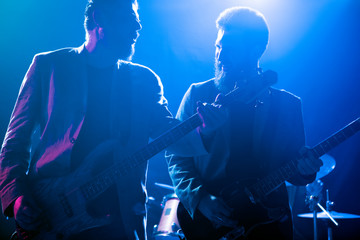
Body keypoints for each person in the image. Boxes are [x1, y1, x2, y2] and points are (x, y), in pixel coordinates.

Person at [0, 0, 223, 239]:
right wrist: (17, 198)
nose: (138, 26)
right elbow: (14, 143)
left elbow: (168, 134)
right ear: (99, 18)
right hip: (51, 214)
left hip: (119, 221)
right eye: (129, 17)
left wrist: (205, 130)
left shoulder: (143, 80)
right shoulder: (49, 66)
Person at [167, 7, 323, 240]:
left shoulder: (288, 105)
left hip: (270, 226)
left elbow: (294, 170)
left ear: (256, 51)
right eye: (218, 47)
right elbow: (176, 156)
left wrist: (306, 172)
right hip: (212, 223)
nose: (220, 57)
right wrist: (199, 199)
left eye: (229, 49)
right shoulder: (198, 94)